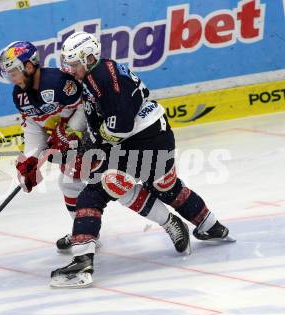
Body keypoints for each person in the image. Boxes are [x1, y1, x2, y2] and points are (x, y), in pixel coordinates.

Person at [51, 32, 235, 288]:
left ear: (88, 57)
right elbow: (98, 115)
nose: (70, 69)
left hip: (140, 142)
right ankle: (210, 225)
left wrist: (90, 143)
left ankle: (82, 260)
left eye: (73, 63)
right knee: (166, 187)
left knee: (93, 192)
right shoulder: (98, 72)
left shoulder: (101, 77)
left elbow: (120, 126)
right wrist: (77, 136)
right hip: (156, 135)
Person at [0, 41, 191, 257]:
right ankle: (84, 233)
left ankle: (169, 222)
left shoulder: (58, 82)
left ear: (30, 66)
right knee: (70, 185)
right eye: (9, 73)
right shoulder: (20, 96)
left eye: (14, 71)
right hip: (73, 146)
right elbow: (34, 126)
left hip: (94, 140)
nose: (11, 77)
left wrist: (70, 131)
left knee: (116, 186)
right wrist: (32, 159)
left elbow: (85, 106)